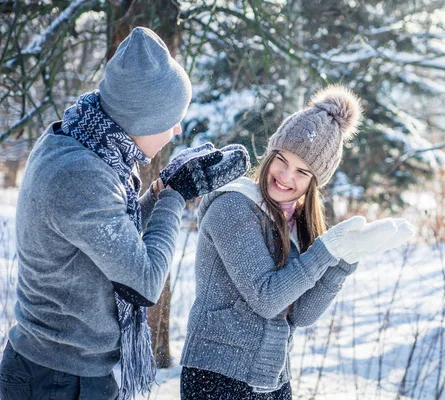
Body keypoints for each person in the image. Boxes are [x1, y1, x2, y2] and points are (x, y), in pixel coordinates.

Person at [0, 27, 249, 400]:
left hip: (67, 372)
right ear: (142, 120)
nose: (178, 128)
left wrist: (160, 190)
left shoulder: (83, 143)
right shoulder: (81, 175)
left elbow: (113, 233)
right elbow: (144, 282)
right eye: (171, 120)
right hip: (56, 380)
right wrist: (175, 197)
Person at [179, 85, 415, 399]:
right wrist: (325, 251)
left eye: (302, 172)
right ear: (270, 154)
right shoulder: (233, 206)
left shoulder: (292, 222)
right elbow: (267, 299)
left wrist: (343, 261)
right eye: (282, 160)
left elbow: (300, 315)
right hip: (217, 377)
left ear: (314, 183)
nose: (286, 176)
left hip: (271, 378)